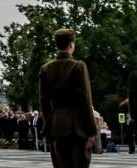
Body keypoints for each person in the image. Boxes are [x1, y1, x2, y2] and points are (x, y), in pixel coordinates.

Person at [40, 28, 98, 168]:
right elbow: (85, 100)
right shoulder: (78, 66)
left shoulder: (46, 69)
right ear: (71, 44)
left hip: (57, 127)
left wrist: (50, 125)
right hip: (77, 128)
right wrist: (91, 131)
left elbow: (44, 101)